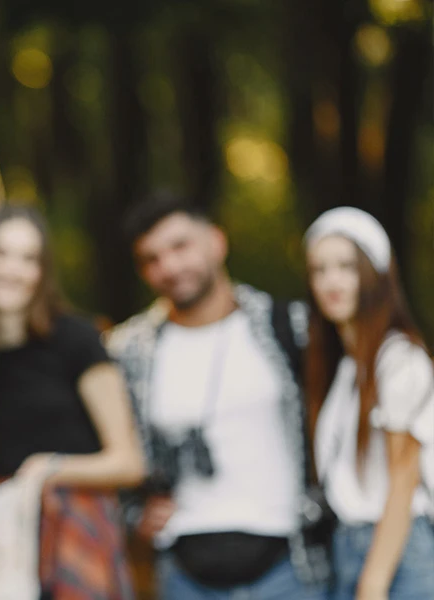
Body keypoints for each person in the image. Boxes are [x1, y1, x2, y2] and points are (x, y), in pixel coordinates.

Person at [106, 193, 328, 599]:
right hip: (183, 573)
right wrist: (133, 512)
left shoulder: (289, 327)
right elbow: (108, 445)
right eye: (151, 259)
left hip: (289, 569)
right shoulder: (128, 351)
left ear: (216, 242)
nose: (169, 267)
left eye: (180, 246)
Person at [0, 205, 145, 598]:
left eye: (29, 259)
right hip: (2, 537)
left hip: (76, 524)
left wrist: (49, 468)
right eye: (1, 254)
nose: (13, 270)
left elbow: (129, 463)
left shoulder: (77, 340)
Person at [303, 207, 434, 600]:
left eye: (346, 265)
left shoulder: (398, 360)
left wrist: (373, 583)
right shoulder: (347, 367)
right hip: (350, 547)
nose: (332, 281)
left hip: (396, 551)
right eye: (319, 269)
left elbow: (403, 477)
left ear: (375, 272)